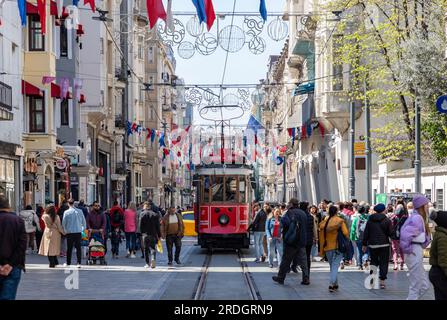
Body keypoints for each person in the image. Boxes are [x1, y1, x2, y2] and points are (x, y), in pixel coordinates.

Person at [400, 195, 432, 300]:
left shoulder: (416, 217)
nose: (428, 206)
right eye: (426, 204)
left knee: (424, 285)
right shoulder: (417, 218)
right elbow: (405, 235)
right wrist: (409, 250)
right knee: (416, 285)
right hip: (414, 250)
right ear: (422, 206)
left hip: (414, 250)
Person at [272, 198, 309, 285]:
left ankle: (281, 277)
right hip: (301, 241)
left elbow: (282, 224)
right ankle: (306, 278)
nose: (287, 204)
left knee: (286, 260)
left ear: (292, 204)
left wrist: (278, 235)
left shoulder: (288, 213)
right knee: (303, 261)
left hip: (291, 241)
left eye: (289, 203)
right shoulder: (303, 213)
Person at [0, 195, 27, 300]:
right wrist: (9, 265)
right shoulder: (18, 221)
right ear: (8, 206)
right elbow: (22, 246)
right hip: (14, 266)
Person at [318, 205, 349, 292]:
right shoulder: (339, 221)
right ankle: (331, 284)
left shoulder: (325, 221)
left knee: (332, 266)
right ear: (336, 212)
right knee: (335, 266)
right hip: (338, 247)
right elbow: (346, 232)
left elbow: (320, 229)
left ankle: (335, 284)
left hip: (328, 247)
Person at [362, 203, 393, 289]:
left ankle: (372, 280)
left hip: (373, 245)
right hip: (384, 244)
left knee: (374, 262)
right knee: (384, 263)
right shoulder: (387, 220)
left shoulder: (370, 220)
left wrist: (364, 244)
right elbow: (390, 233)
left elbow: (366, 233)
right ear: (383, 210)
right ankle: (382, 282)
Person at [61, 199, 86, 268]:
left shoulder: (66, 212)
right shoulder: (80, 211)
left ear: (68, 204)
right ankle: (78, 263)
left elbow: (63, 223)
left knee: (69, 248)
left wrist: (65, 231)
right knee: (78, 248)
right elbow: (84, 222)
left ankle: (68, 262)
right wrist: (82, 230)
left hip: (70, 233)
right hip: (78, 232)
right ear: (74, 203)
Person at [428, 210, 447, 300]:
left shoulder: (440, 234)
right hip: (440, 273)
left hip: (437, 273)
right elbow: (443, 259)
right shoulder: (442, 237)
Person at [140, 202, 162, 268]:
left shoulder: (142, 214)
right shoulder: (155, 214)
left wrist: (141, 233)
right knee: (153, 248)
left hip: (145, 234)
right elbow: (158, 226)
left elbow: (140, 225)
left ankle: (147, 263)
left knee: (146, 249)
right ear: (150, 207)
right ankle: (153, 259)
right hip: (153, 234)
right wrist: (159, 235)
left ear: (145, 206)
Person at [350, 203, 369, 269]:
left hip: (358, 237)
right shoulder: (368, 217)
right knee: (366, 250)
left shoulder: (356, 218)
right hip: (367, 237)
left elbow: (353, 228)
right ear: (364, 210)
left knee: (359, 250)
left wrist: (352, 237)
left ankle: (360, 265)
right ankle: (365, 259)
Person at [390, 203, 408, 271]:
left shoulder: (393, 217)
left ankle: (395, 264)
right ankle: (402, 265)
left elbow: (390, 226)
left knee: (394, 250)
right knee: (401, 251)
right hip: (403, 236)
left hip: (394, 236)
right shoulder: (406, 218)